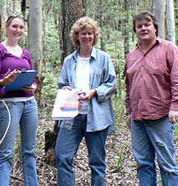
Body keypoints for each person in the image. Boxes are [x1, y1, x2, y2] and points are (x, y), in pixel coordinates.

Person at [125, 12, 178, 186]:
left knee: (167, 164)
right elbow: (128, 86)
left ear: (155, 27)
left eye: (147, 24)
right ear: (135, 30)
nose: (143, 28)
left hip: (161, 116)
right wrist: (129, 111)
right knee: (143, 163)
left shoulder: (169, 49)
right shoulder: (132, 56)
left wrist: (176, 105)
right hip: (138, 119)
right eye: (139, 26)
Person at [55, 16, 117, 186]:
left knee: (97, 162)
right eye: (83, 33)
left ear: (95, 36)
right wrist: (67, 90)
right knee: (62, 156)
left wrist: (94, 91)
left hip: (96, 116)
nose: (87, 37)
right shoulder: (69, 61)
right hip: (71, 116)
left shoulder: (103, 58)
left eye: (90, 33)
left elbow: (111, 84)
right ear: (77, 36)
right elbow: (63, 84)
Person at [0, 14, 38, 186]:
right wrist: (5, 82)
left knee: (29, 151)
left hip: (30, 104)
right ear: (7, 27)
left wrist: (34, 87)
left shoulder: (26, 53)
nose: (18, 30)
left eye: (21, 27)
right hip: (9, 105)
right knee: (6, 152)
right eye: (14, 26)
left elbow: (33, 79)